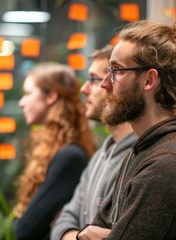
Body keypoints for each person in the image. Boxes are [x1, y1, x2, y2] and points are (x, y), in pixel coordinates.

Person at [77, 18, 176, 240]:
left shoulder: (167, 162)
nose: (104, 84)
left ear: (149, 80)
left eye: (117, 71)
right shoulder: (143, 150)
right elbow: (97, 225)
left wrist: (92, 235)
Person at [51, 45, 136, 240]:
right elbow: (65, 219)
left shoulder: (139, 157)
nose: (84, 89)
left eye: (92, 80)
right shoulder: (100, 155)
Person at [13, 62, 96, 240]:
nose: (22, 102)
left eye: (28, 93)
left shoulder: (70, 156)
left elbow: (25, 229)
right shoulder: (62, 151)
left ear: (50, 96)